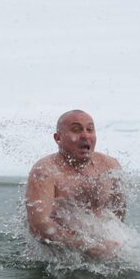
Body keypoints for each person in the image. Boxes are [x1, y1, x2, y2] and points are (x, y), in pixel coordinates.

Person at [25, 110, 126, 260]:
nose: (85, 135)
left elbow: (119, 212)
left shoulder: (110, 166)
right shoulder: (45, 172)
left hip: (101, 249)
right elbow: (39, 224)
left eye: (90, 129)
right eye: (76, 130)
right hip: (58, 257)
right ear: (58, 138)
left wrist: (114, 243)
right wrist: (87, 247)